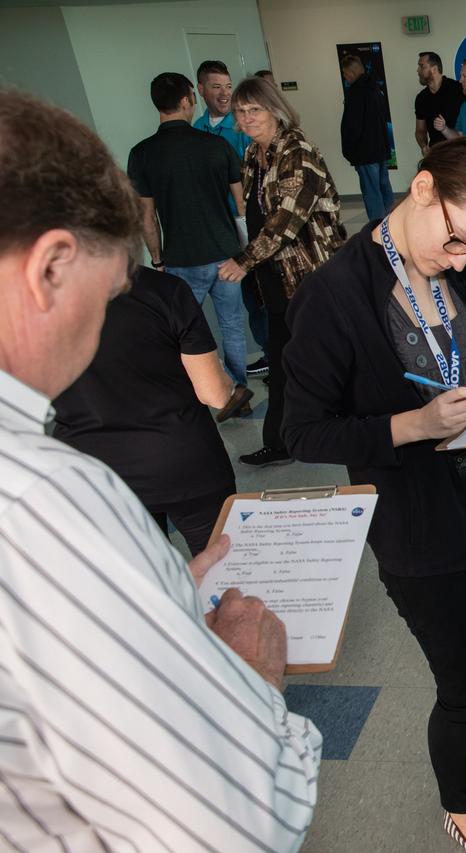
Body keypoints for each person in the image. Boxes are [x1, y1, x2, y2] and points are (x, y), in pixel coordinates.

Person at [0, 87, 320, 851]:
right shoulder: (49, 498)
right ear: (50, 268)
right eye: (108, 293)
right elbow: (231, 820)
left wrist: (162, 585)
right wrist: (252, 677)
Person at [282, 135, 466, 851]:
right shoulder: (335, 294)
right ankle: (461, 801)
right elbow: (301, 430)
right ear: (422, 189)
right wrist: (412, 425)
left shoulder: (463, 274)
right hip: (426, 535)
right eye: (457, 241)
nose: (463, 262)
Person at [53, 265, 238, 557]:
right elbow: (214, 394)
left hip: (98, 474)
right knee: (224, 578)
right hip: (185, 463)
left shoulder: (29, 304)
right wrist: (227, 382)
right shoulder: (162, 289)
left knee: (145, 592)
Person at [217, 76, 346, 467]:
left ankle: (347, 429)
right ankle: (282, 442)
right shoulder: (254, 156)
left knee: (326, 357)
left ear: (274, 108)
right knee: (284, 362)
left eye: (254, 109)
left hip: (310, 276)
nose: (247, 118)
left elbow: (288, 219)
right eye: (240, 111)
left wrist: (244, 260)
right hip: (276, 278)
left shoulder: (297, 151)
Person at [128, 71, 252, 418]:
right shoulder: (216, 146)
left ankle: (227, 390)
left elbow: (146, 217)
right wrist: (244, 250)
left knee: (186, 332)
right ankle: (236, 392)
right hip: (226, 252)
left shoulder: (142, 154)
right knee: (231, 325)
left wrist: (157, 258)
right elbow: (241, 206)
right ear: (187, 101)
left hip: (181, 258)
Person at [193, 58, 271, 379]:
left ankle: (272, 353)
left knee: (259, 290)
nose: (225, 94)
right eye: (216, 87)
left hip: (244, 222)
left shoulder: (241, 130)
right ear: (201, 90)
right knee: (239, 296)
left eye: (228, 87)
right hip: (215, 226)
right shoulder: (196, 130)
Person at [340, 54, 395, 221]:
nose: (344, 77)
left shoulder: (355, 93)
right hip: (380, 149)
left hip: (364, 152)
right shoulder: (375, 90)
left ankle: (378, 230)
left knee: (372, 192)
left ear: (350, 72)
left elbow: (353, 126)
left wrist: (349, 149)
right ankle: (393, 223)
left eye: (345, 73)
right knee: (384, 187)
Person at [415, 51, 465, 157]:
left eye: (421, 66)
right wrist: (424, 146)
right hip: (436, 155)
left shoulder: (458, 90)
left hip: (460, 154)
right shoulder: (421, 98)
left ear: (434, 69)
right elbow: (420, 130)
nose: (418, 70)